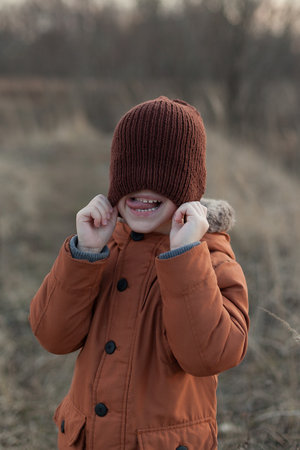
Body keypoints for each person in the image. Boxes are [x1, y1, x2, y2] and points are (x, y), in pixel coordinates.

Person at [29, 96, 249, 450]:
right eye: (131, 172)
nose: (144, 187)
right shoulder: (103, 250)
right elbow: (52, 336)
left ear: (189, 184)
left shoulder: (211, 259)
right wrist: (84, 253)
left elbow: (209, 355)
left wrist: (185, 255)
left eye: (163, 174)